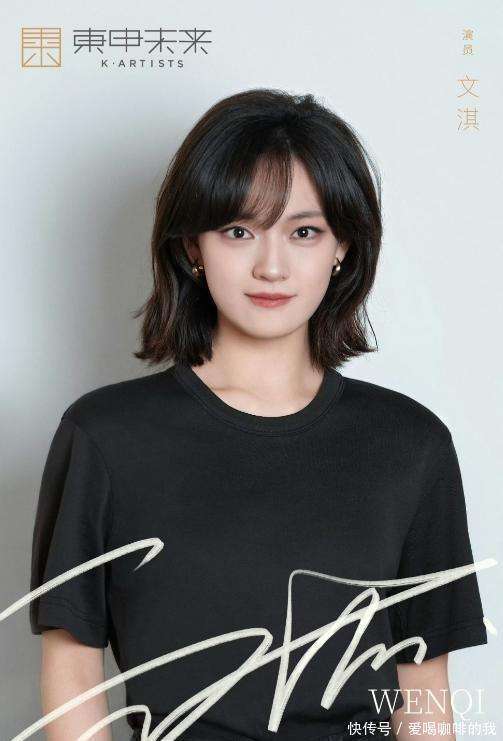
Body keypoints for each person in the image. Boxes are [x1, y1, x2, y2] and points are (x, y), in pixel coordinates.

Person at [29, 88, 488, 741]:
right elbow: (71, 666)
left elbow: (423, 694)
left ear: (342, 247)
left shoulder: (409, 445)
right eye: (238, 230)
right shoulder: (104, 436)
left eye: (304, 232)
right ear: (192, 246)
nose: (271, 266)